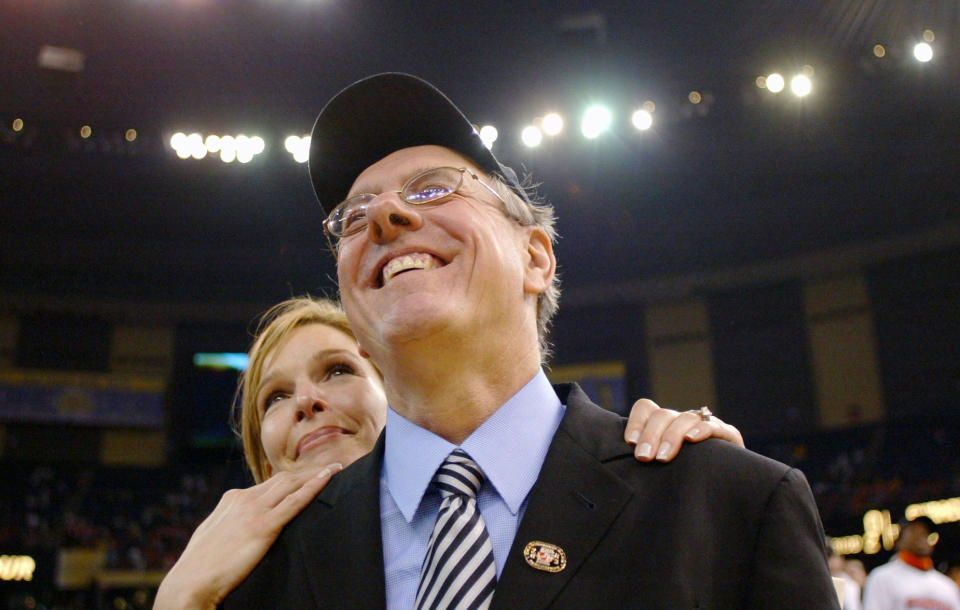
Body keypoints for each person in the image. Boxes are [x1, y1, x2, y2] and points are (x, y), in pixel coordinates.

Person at [223, 72, 839, 609]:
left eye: (433, 187)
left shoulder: (730, 503)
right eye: (354, 217)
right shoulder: (261, 564)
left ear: (536, 257)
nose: (385, 215)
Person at [153, 297, 744, 609]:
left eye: (336, 371)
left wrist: (700, 499)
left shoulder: (589, 481)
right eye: (274, 398)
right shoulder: (234, 589)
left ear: (399, 392)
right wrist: (180, 602)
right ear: (262, 450)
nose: (306, 401)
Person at [863, 516, 960, 610]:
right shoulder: (882, 578)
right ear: (899, 541)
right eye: (914, 531)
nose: (921, 537)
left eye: (925, 533)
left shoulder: (947, 586)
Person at [827, 540, 863, 610]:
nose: (831, 562)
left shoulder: (849, 585)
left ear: (841, 559)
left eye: (833, 557)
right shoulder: (818, 580)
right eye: (828, 558)